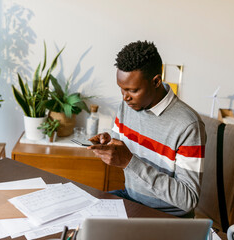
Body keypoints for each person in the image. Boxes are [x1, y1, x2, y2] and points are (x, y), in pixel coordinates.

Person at [88, 40, 206, 217]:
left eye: (132, 90)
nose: (125, 97)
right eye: (121, 89)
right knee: (82, 218)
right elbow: (122, 146)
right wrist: (108, 142)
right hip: (132, 199)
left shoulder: (188, 125)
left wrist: (130, 162)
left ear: (156, 81)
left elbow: (188, 198)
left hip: (168, 215)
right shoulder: (128, 105)